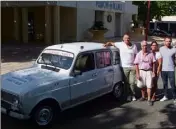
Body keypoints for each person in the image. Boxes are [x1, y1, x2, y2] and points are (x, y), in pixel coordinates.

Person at [104, 34, 138, 101]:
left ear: (130, 38)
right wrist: (107, 43)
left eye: (128, 38)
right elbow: (112, 43)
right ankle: (128, 95)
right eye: (125, 38)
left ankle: (133, 95)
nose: (127, 39)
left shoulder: (134, 46)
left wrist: (136, 65)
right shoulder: (120, 44)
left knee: (132, 82)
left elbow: (136, 55)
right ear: (123, 39)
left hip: (132, 67)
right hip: (124, 67)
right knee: (126, 82)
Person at [134, 40, 156, 106]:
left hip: (149, 71)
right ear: (141, 46)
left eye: (146, 45)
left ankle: (149, 99)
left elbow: (154, 63)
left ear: (147, 46)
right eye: (143, 45)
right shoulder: (138, 54)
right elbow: (136, 64)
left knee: (149, 86)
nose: (145, 47)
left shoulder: (151, 53)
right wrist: (137, 73)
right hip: (141, 71)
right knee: (142, 85)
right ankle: (143, 96)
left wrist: (154, 71)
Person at [159, 37, 176, 103]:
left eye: (169, 41)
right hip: (163, 70)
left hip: (171, 69)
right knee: (165, 84)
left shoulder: (174, 49)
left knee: (172, 84)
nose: (168, 42)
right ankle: (165, 96)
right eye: (167, 41)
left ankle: (175, 97)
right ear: (164, 41)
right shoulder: (161, 49)